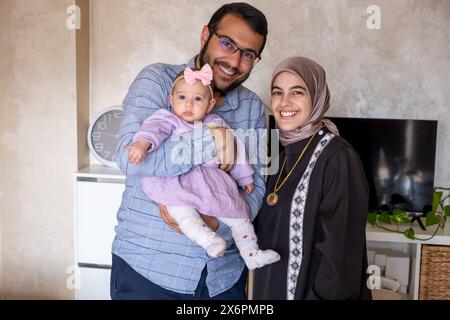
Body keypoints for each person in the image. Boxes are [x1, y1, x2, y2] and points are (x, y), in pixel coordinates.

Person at [111, 3, 269, 300]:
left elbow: (256, 185)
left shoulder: (252, 107)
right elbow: (129, 159)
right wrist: (214, 137)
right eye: (227, 43)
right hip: (149, 270)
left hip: (223, 279)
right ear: (205, 35)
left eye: (248, 54)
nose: (234, 61)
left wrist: (216, 223)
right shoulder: (158, 82)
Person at [125, 64, 279, 268]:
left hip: (211, 184)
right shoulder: (168, 119)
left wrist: (244, 178)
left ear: (209, 104)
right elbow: (152, 130)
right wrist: (141, 145)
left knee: (238, 213)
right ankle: (209, 240)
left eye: (197, 99)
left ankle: (251, 254)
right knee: (181, 211)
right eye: (182, 98)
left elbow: (238, 150)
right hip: (175, 183)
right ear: (171, 101)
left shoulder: (217, 124)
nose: (188, 104)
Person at [253, 56, 372, 300]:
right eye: (277, 92)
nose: (284, 102)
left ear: (317, 97)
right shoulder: (282, 156)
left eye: (297, 92)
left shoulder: (338, 157)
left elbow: (340, 258)